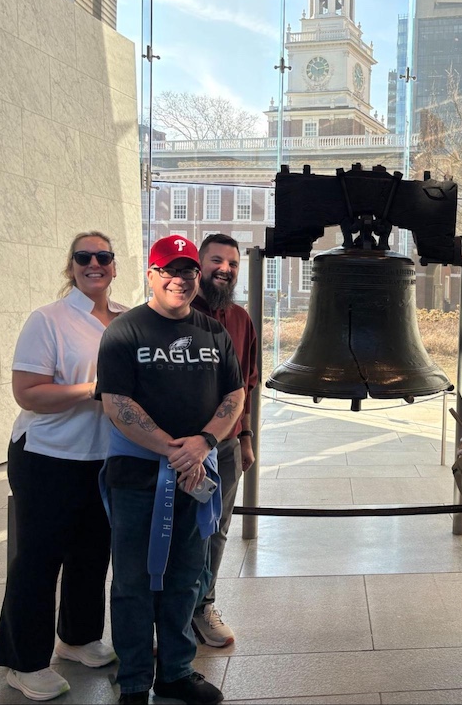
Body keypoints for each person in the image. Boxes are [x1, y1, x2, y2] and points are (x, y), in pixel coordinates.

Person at [97, 235, 245, 705]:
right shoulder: (125, 331)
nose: (179, 279)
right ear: (151, 275)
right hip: (138, 476)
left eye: (187, 271)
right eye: (169, 270)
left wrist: (203, 443)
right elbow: (116, 402)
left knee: (186, 577)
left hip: (197, 474)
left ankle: (177, 672)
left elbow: (235, 394)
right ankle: (135, 680)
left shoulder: (214, 332)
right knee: (133, 582)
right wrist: (171, 449)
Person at [0, 232, 126, 701]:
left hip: (103, 458)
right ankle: (24, 661)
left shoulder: (127, 319)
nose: (94, 263)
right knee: (39, 559)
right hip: (47, 458)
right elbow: (28, 392)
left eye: (103, 256)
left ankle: (78, 638)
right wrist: (93, 389)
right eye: (83, 256)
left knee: (92, 553)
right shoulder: (48, 319)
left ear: (114, 266)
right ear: (70, 267)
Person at [190, 234, 259, 648]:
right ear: (199, 265)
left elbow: (246, 384)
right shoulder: (178, 314)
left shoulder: (240, 319)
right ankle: (173, 612)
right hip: (183, 446)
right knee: (178, 531)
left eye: (232, 263)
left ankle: (204, 605)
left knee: (217, 529)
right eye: (216, 260)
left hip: (228, 445)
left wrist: (245, 437)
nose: (225, 269)